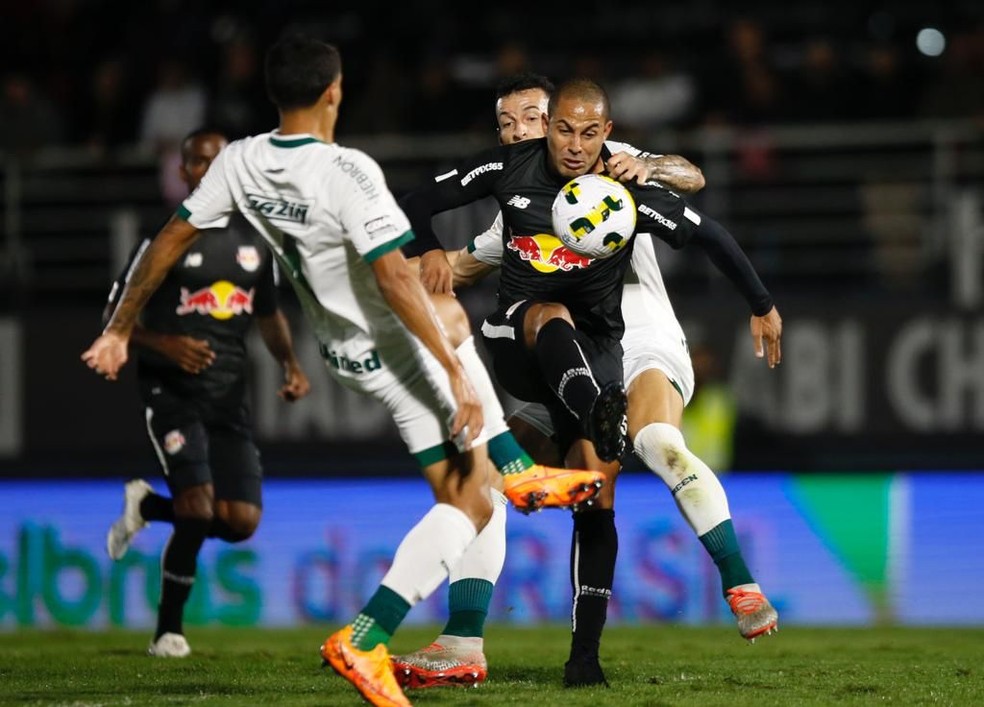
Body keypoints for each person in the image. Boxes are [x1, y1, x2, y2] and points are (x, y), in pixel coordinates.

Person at [82, 36, 601, 707]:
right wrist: (456, 370)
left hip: (342, 351)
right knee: (443, 312)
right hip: (391, 341)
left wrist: (120, 328)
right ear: (335, 91)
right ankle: (509, 469)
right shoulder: (348, 172)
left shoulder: (239, 160)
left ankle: (392, 626)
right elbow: (391, 274)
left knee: (471, 500)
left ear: (277, 93)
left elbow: (168, 240)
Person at [397, 76, 783, 689]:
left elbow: (692, 179)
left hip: (638, 325)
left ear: (565, 120)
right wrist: (425, 262)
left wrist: (647, 164)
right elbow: (456, 260)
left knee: (655, 443)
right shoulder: (514, 194)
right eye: (506, 123)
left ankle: (738, 583)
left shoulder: (613, 167)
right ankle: (464, 639)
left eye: (528, 116)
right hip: (558, 346)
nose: (517, 130)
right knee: (488, 481)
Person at [101, 126, 311, 658]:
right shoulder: (166, 236)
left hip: (227, 395)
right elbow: (115, 315)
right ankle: (167, 632)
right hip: (170, 391)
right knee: (196, 508)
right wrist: (164, 344)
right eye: (195, 162)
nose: (205, 171)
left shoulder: (254, 242)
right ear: (183, 171)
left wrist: (289, 363)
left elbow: (268, 315)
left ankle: (147, 507)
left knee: (240, 521)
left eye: (215, 163)